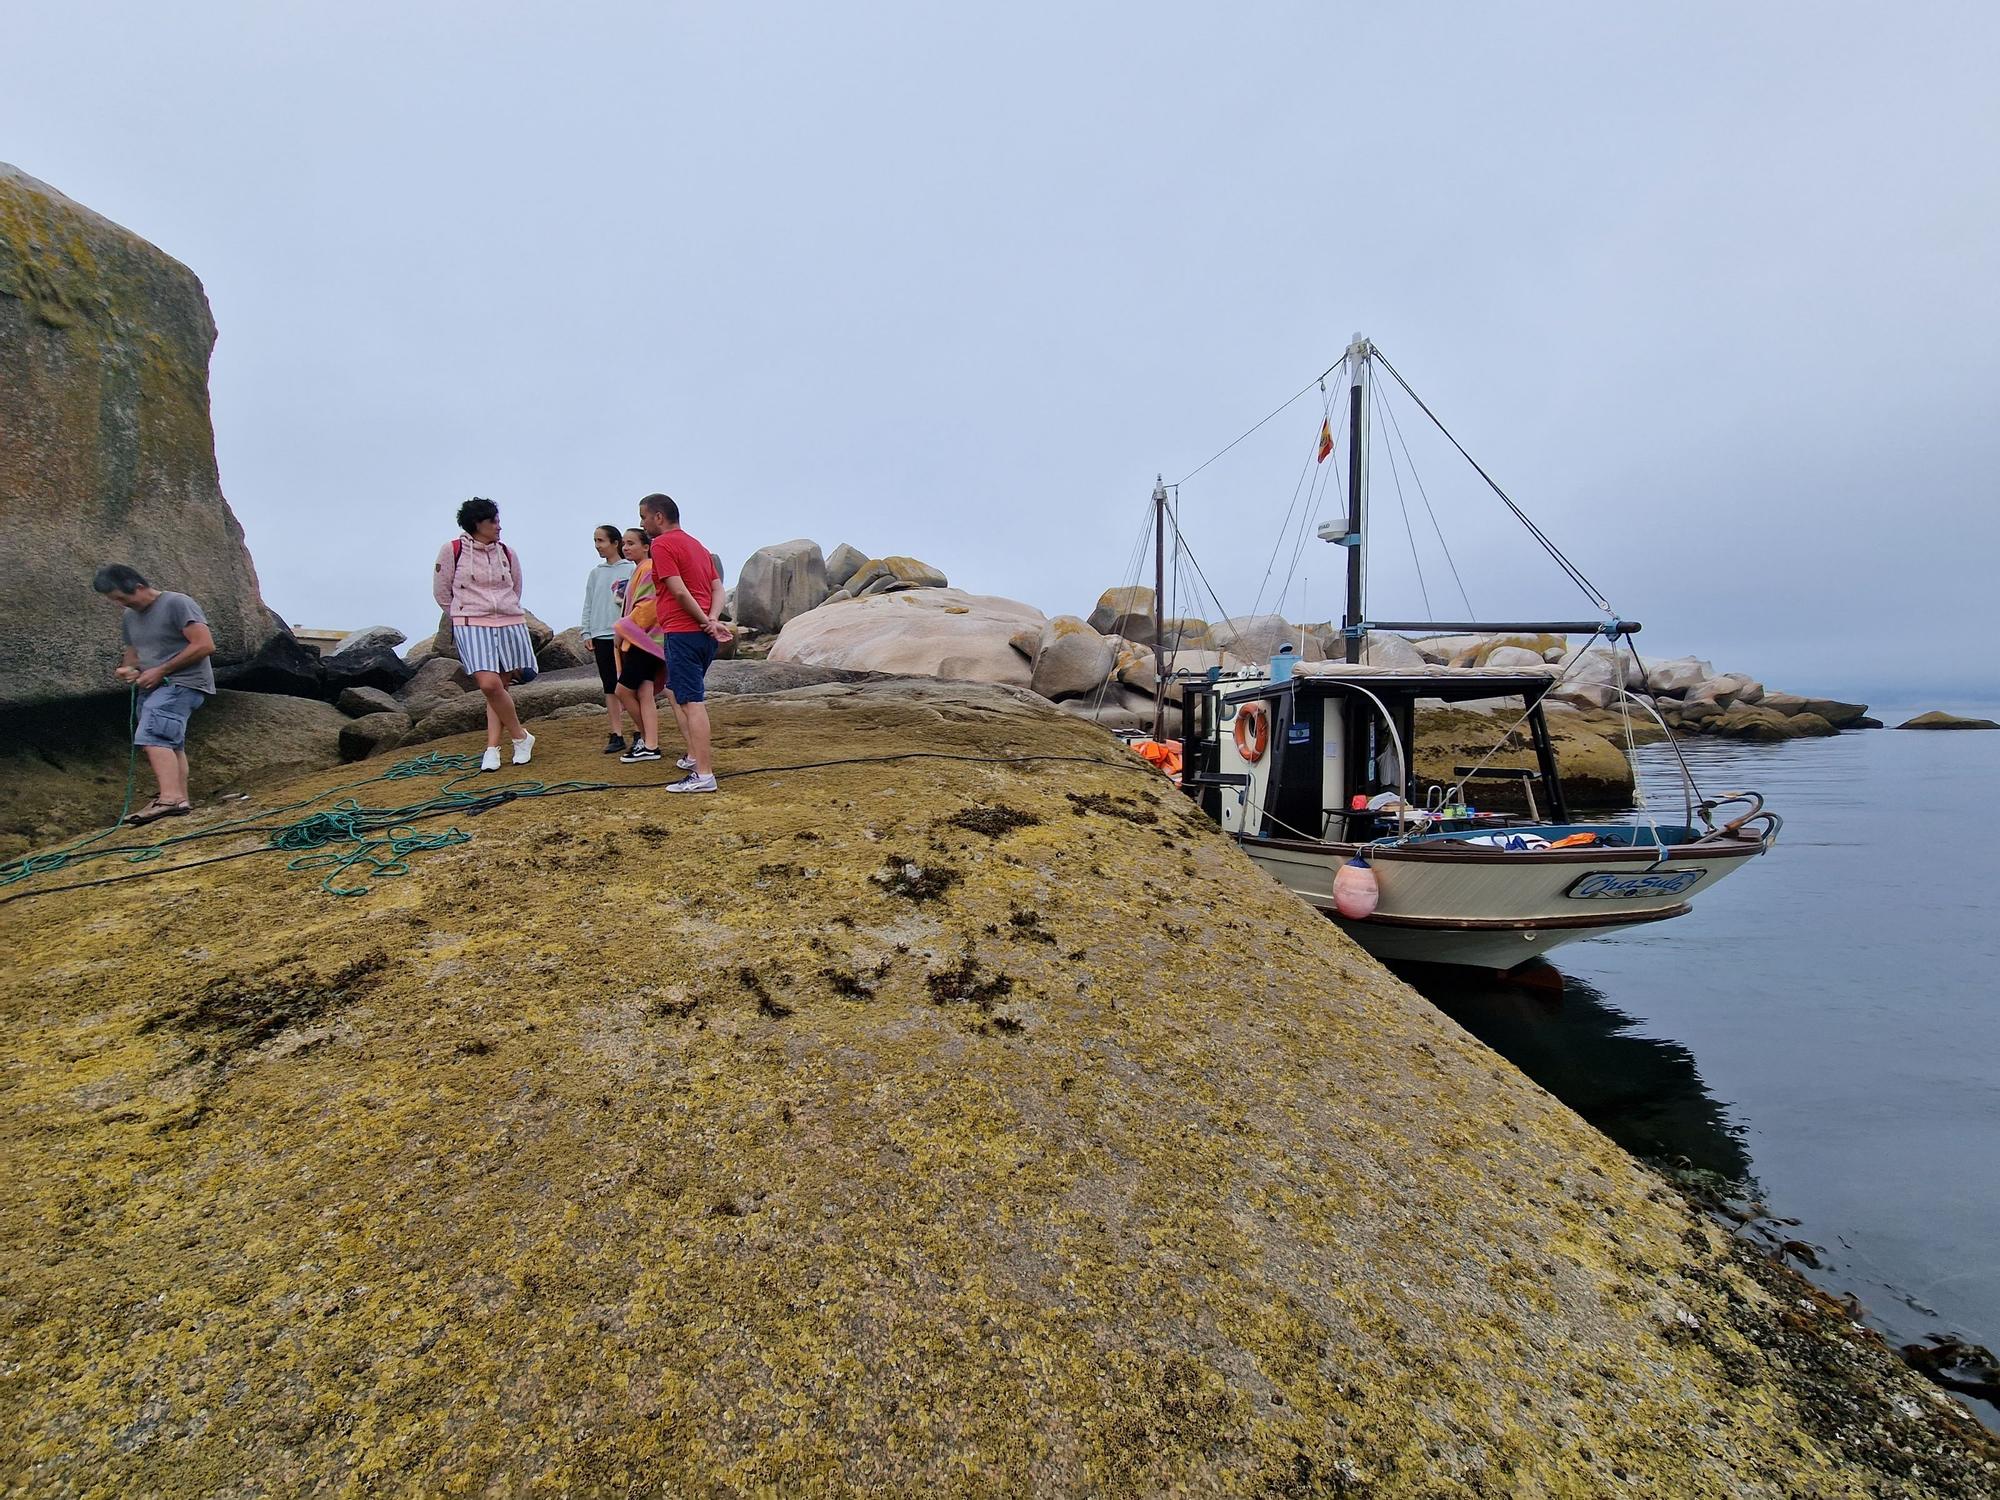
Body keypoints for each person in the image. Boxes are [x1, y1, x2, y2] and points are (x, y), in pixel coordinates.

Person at [93, 564, 217, 825]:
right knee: (171, 741)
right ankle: (180, 799)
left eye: (120, 597)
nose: (118, 604)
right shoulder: (130, 616)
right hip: (152, 686)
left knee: (153, 733)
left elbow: (204, 644)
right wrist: (128, 669)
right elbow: (133, 652)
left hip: (183, 683)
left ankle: (169, 799)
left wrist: (161, 670)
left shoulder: (177, 603)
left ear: (138, 587)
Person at [432, 497, 535, 772]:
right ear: (477, 523)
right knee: (489, 685)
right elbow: (442, 592)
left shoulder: (507, 553)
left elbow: (515, 587)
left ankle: (493, 748)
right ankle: (521, 736)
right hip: (471, 622)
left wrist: (504, 611)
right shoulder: (452, 550)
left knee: (499, 688)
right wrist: (463, 614)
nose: (499, 526)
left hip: (508, 621)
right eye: (494, 521)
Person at [637, 492, 730, 793]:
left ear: (658, 517)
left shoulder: (661, 544)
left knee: (692, 701)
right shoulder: (698, 546)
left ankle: (704, 774)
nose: (643, 523)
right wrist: (713, 619)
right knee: (675, 691)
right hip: (702, 635)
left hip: (684, 632)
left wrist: (704, 622)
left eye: (644, 517)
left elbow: (677, 591)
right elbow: (718, 588)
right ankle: (694, 756)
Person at [612, 527, 668, 763]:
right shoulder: (640, 570)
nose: (626, 547)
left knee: (622, 691)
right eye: (624, 543)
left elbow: (647, 608)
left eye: (632, 543)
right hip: (649, 640)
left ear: (646, 546)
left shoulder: (647, 569)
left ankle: (646, 739)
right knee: (644, 693)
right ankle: (651, 745)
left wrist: (622, 629)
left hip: (644, 641)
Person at [581, 523, 636, 753]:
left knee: (632, 684)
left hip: (625, 634)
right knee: (610, 686)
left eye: (601, 541)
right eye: (595, 541)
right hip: (601, 634)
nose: (597, 546)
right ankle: (616, 733)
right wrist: (586, 631)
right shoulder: (596, 573)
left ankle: (639, 729)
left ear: (615, 543)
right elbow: (589, 603)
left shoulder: (631, 569)